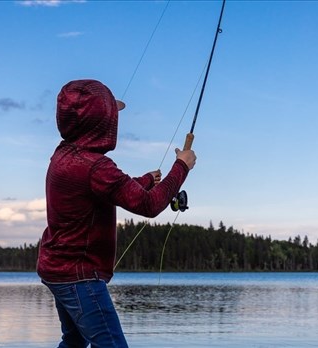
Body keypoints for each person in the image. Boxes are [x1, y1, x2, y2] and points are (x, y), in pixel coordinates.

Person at [37, 79, 196, 348]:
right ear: (102, 123)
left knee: (73, 342)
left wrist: (145, 180)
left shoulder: (64, 155)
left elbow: (106, 187)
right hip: (80, 277)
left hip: (56, 269)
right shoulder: (96, 166)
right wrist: (181, 166)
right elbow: (149, 206)